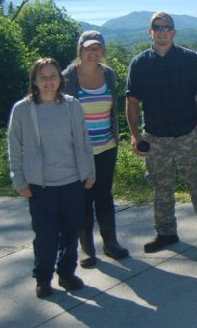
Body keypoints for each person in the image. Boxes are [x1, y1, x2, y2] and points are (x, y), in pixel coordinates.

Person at [126, 11, 197, 252]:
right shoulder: (139, 63)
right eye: (157, 27)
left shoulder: (189, 59)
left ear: (174, 32)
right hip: (155, 137)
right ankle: (166, 233)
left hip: (187, 133)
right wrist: (135, 135)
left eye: (166, 28)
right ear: (150, 32)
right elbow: (132, 101)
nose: (162, 32)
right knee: (161, 188)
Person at [8, 58, 95, 299]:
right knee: (46, 235)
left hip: (73, 182)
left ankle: (67, 273)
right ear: (34, 81)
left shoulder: (72, 106)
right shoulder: (23, 109)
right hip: (40, 186)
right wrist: (20, 181)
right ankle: (43, 278)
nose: (48, 81)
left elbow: (84, 142)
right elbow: (15, 148)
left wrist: (89, 172)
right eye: (43, 77)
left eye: (53, 76)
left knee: (71, 232)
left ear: (61, 79)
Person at [63, 30, 128, 268]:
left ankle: (111, 244)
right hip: (78, 151)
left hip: (106, 147)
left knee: (104, 196)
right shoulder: (67, 78)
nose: (94, 52)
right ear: (79, 50)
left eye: (98, 48)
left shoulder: (108, 75)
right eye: (89, 48)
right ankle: (87, 250)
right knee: (83, 199)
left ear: (103, 51)